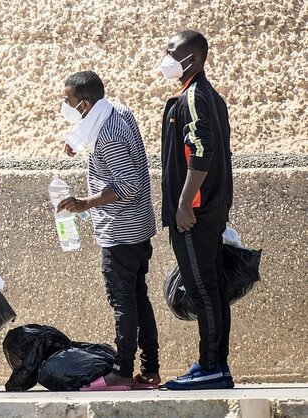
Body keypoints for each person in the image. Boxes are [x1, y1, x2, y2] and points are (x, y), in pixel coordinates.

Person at [56, 71, 160, 391]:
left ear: (85, 104)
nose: (64, 105)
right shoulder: (117, 111)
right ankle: (151, 370)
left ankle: (123, 371)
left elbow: (126, 184)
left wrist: (85, 203)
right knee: (139, 300)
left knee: (123, 302)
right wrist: (77, 142)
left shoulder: (107, 136)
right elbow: (108, 144)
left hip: (121, 232)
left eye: (69, 101)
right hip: (138, 228)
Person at [158, 30, 234, 390]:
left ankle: (211, 367)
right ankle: (216, 365)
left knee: (202, 289)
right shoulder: (207, 96)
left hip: (197, 214)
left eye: (172, 52)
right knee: (213, 288)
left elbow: (200, 154)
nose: (166, 57)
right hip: (209, 211)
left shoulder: (194, 97)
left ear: (193, 59)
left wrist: (184, 204)